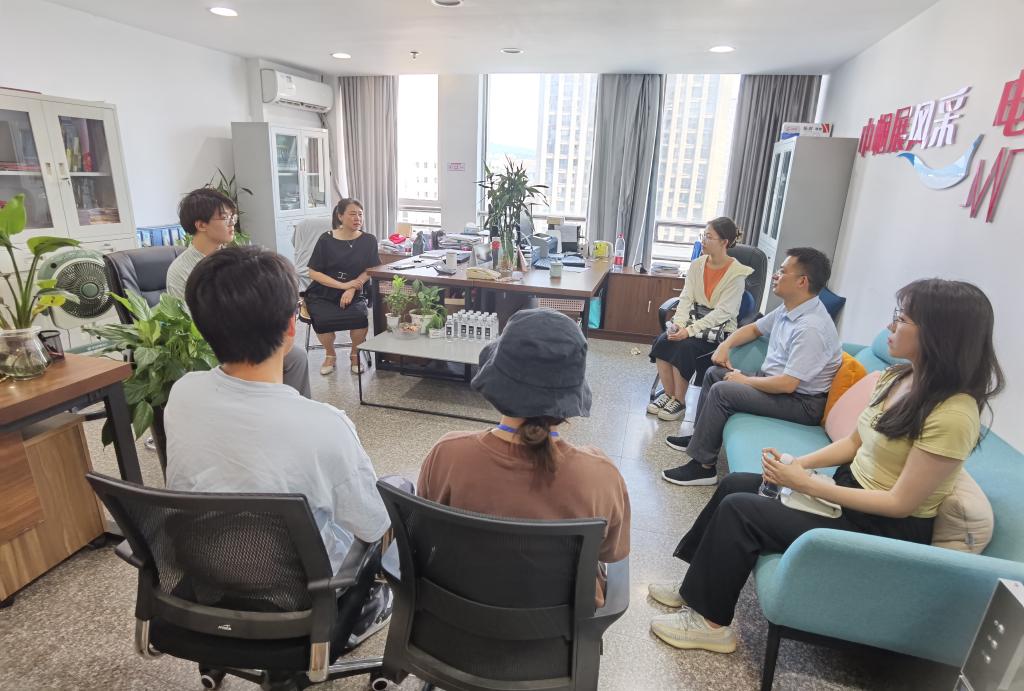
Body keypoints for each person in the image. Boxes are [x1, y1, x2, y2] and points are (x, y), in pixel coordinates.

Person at [647, 279, 1004, 654]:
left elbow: (900, 503)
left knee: (742, 511)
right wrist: (795, 465)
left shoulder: (954, 414)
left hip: (883, 527)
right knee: (736, 484)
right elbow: (852, 444)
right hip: (849, 496)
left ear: (938, 334)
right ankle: (694, 588)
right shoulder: (900, 377)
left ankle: (712, 625)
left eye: (901, 319)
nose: (889, 326)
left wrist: (807, 484)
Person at [164, 245, 394, 649]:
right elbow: (372, 525)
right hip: (305, 598)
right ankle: (359, 611)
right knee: (387, 501)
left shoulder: (182, 393)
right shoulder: (325, 425)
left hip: (209, 577)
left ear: (202, 328)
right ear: (292, 328)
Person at [417, 308, 631, 607]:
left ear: (496, 383)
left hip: (457, 612)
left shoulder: (448, 454)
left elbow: (425, 530)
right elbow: (611, 553)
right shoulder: (601, 476)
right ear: (571, 397)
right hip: (558, 628)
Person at [661, 247, 843, 486]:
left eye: (782, 271)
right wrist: (725, 345)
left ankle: (703, 467)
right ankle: (699, 439)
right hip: (777, 384)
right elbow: (755, 329)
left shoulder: (811, 328)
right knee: (714, 373)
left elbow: (788, 384)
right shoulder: (791, 308)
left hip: (801, 403)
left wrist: (745, 380)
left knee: (723, 391)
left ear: (802, 281)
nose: (776, 275)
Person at [166, 187, 311, 398]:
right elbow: (189, 326)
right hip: (215, 346)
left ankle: (293, 410)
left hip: (248, 337)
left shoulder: (233, 259)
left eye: (232, 217)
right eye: (224, 217)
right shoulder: (181, 270)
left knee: (296, 357)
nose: (232, 223)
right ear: (201, 225)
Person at [647, 217, 754, 421]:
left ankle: (679, 401)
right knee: (663, 340)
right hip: (693, 322)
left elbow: (723, 313)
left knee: (685, 347)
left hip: (719, 331)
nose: (703, 241)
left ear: (724, 242)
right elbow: (686, 298)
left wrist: (688, 331)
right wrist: (678, 324)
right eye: (703, 235)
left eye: (709, 237)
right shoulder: (697, 265)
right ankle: (668, 395)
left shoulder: (737, 274)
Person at [305, 198, 380, 376]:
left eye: (360, 214)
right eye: (352, 214)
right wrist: (343, 285)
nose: (357, 218)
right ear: (340, 216)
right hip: (323, 291)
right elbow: (313, 273)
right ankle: (330, 354)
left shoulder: (369, 240)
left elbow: (371, 269)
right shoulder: (326, 239)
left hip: (355, 291)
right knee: (322, 320)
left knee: (360, 318)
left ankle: (354, 354)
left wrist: (352, 288)